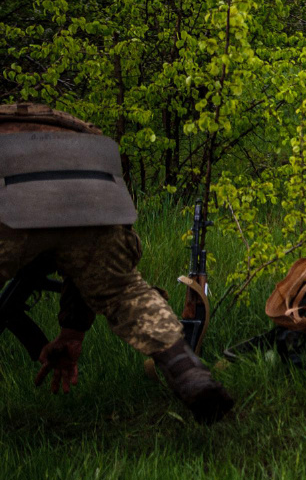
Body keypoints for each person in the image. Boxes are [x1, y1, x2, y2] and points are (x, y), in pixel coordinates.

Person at [0, 102, 233, 421]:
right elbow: (84, 262)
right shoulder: (59, 126)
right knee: (125, 294)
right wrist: (72, 332)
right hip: (89, 173)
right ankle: (188, 372)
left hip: (10, 175)